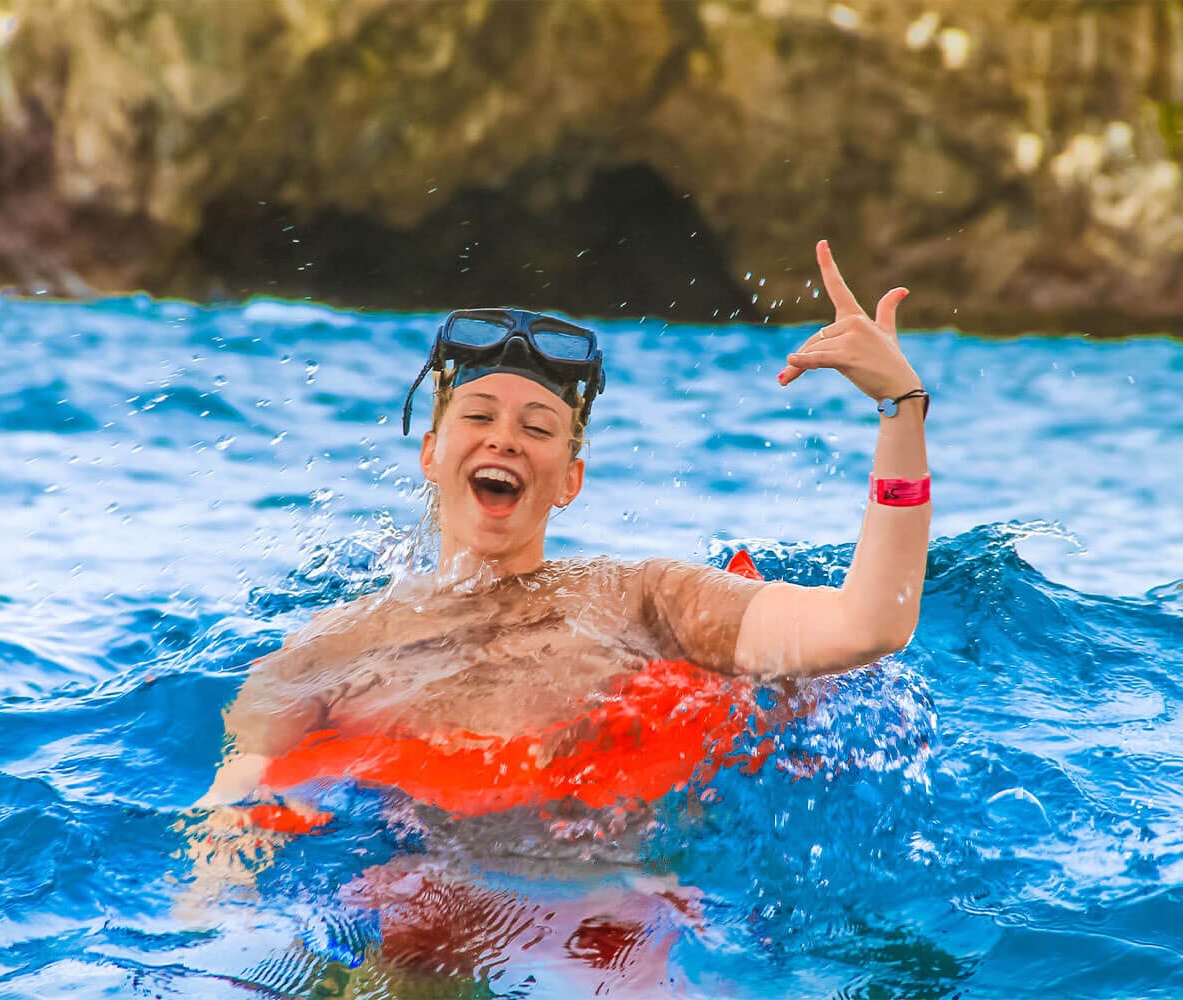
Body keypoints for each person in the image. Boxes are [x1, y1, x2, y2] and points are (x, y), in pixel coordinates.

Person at [183, 240, 931, 991]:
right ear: (432, 453)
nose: (505, 436)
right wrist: (215, 899)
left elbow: (870, 625)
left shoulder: (644, 598)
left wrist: (900, 409)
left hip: (613, 906)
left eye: (538, 428)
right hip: (425, 898)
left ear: (569, 479)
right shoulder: (334, 644)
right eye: (480, 415)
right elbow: (234, 800)